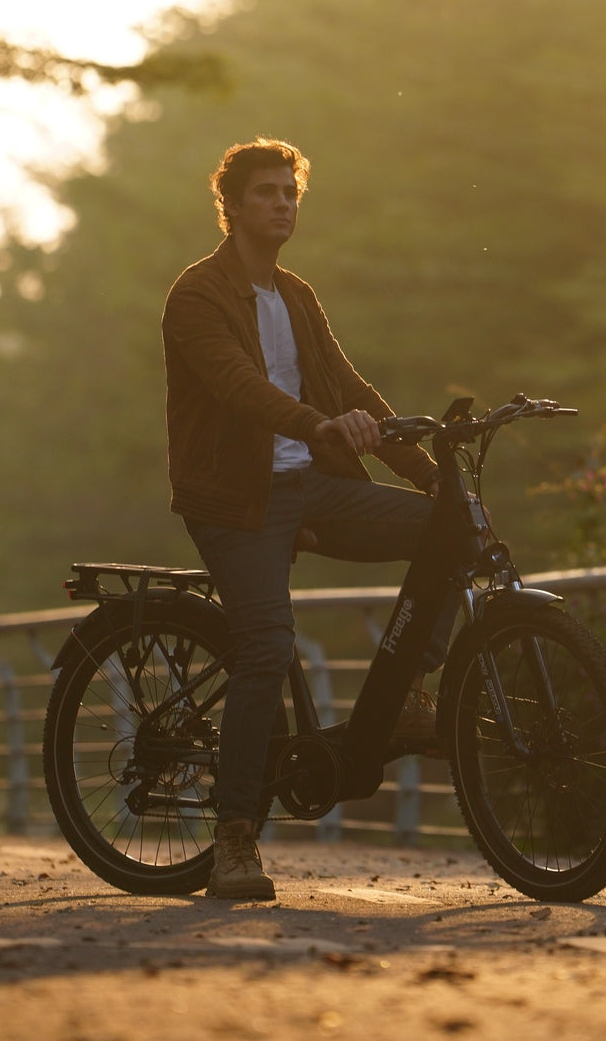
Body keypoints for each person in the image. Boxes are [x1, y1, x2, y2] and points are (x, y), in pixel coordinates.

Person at [161, 137, 448, 901]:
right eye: (265, 192)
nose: (282, 203)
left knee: (445, 528)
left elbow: (348, 383)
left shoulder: (297, 295)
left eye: (291, 192)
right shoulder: (198, 296)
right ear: (230, 205)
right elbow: (237, 387)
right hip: (234, 501)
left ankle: (411, 700)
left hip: (309, 488)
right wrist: (316, 426)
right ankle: (233, 840)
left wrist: (429, 473)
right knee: (265, 647)